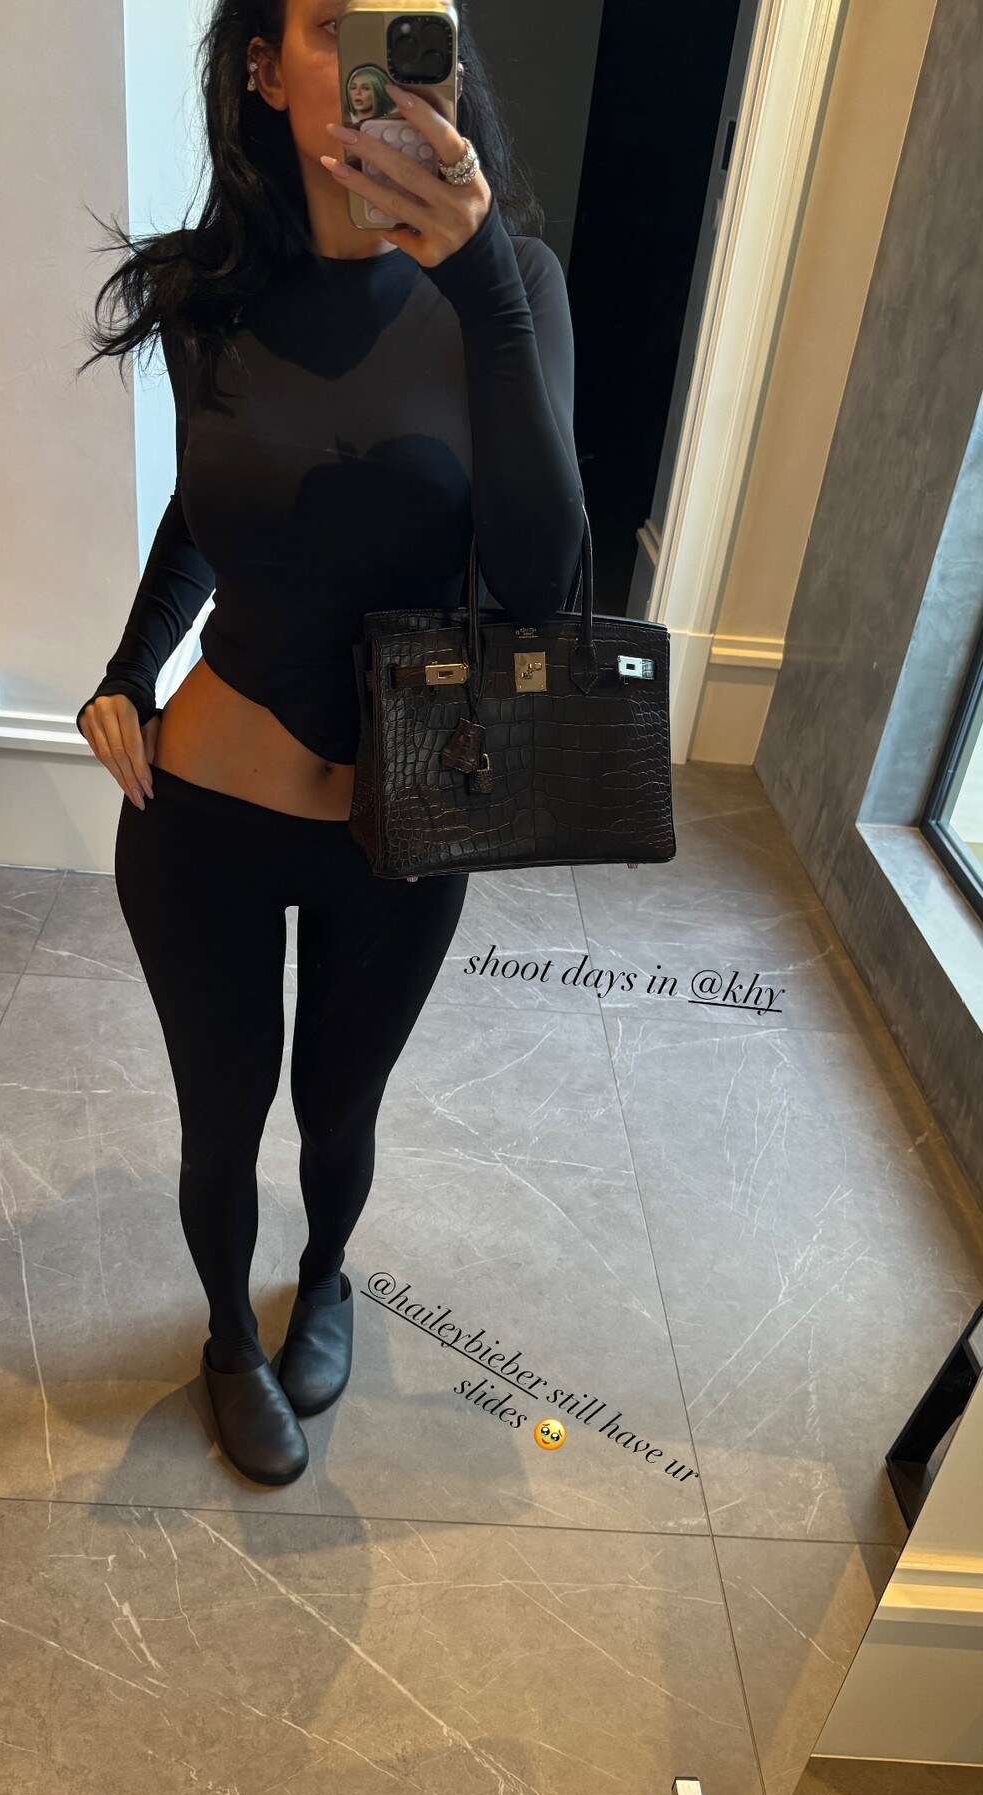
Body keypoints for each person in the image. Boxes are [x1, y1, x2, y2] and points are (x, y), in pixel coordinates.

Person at [75, 0, 584, 1488]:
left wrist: (479, 288)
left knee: (338, 1109)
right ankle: (227, 1340)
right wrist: (125, 671)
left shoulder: (513, 285)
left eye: (413, 21)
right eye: (332, 20)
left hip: (406, 817)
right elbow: (206, 504)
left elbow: (541, 580)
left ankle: (328, 1278)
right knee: (222, 1117)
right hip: (205, 808)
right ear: (264, 67)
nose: (381, 52)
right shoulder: (206, 296)